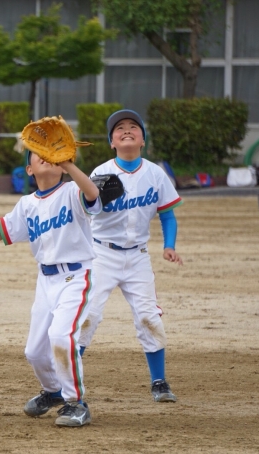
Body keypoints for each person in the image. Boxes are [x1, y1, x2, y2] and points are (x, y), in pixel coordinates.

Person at [0, 137, 101, 427]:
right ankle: (53, 391)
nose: (44, 155)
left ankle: (76, 403)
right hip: (45, 281)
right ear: (29, 170)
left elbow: (92, 193)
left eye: (50, 152)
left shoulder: (72, 191)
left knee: (61, 337)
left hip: (76, 276)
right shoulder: (27, 204)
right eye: (37, 153)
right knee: (33, 351)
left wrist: (68, 163)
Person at [77, 109, 184, 403]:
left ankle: (159, 382)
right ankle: (68, 382)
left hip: (138, 256)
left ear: (143, 140)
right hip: (101, 254)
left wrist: (169, 245)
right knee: (87, 316)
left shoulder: (155, 174)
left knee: (149, 317)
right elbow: (85, 211)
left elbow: (167, 215)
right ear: (111, 142)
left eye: (133, 127)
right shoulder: (100, 173)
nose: (126, 130)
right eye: (119, 128)